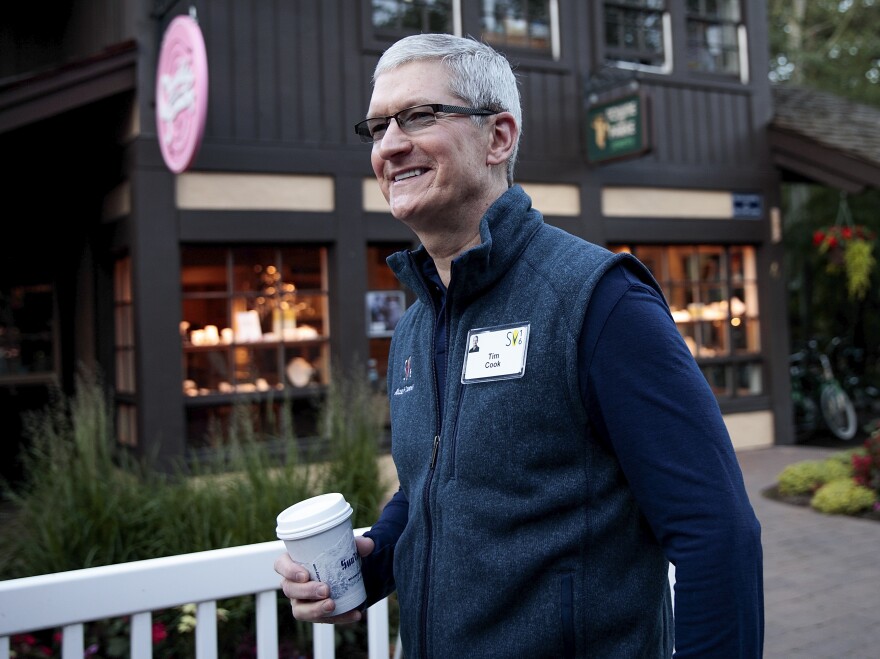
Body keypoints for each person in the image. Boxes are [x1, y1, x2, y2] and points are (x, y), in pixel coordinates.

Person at [276, 33, 764, 658]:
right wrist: (367, 567)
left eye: (419, 116)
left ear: (498, 137)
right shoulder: (417, 325)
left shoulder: (600, 301)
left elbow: (716, 533)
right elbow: (434, 482)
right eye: (376, 128)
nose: (391, 145)